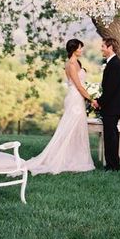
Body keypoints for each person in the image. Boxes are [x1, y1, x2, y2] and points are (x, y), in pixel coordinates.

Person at [24, 39, 95, 175]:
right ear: (74, 49)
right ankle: (59, 157)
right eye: (80, 48)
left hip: (78, 98)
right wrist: (91, 99)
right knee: (69, 128)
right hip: (74, 97)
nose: (82, 50)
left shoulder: (78, 62)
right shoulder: (71, 64)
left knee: (77, 128)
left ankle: (76, 157)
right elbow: (79, 86)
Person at [96, 37, 120, 172]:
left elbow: (111, 89)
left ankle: (112, 166)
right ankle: (113, 164)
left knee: (111, 137)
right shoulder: (112, 63)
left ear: (110, 47)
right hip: (111, 107)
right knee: (110, 136)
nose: (101, 48)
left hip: (111, 108)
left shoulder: (115, 64)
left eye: (103, 46)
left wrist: (99, 102)